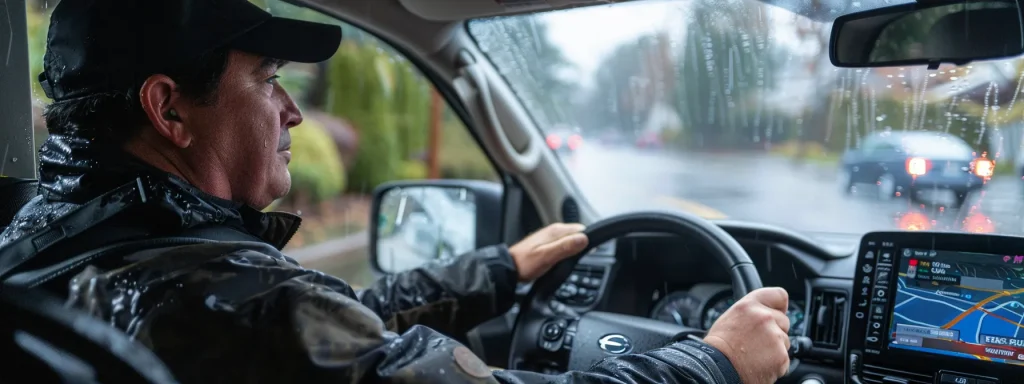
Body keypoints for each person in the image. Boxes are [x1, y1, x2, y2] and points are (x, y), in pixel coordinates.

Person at [0, 0, 792, 383]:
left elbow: (329, 338)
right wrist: (713, 364)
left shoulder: (47, 239)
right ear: (168, 107)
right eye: (268, 80)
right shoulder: (228, 296)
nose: (293, 111)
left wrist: (496, 272)